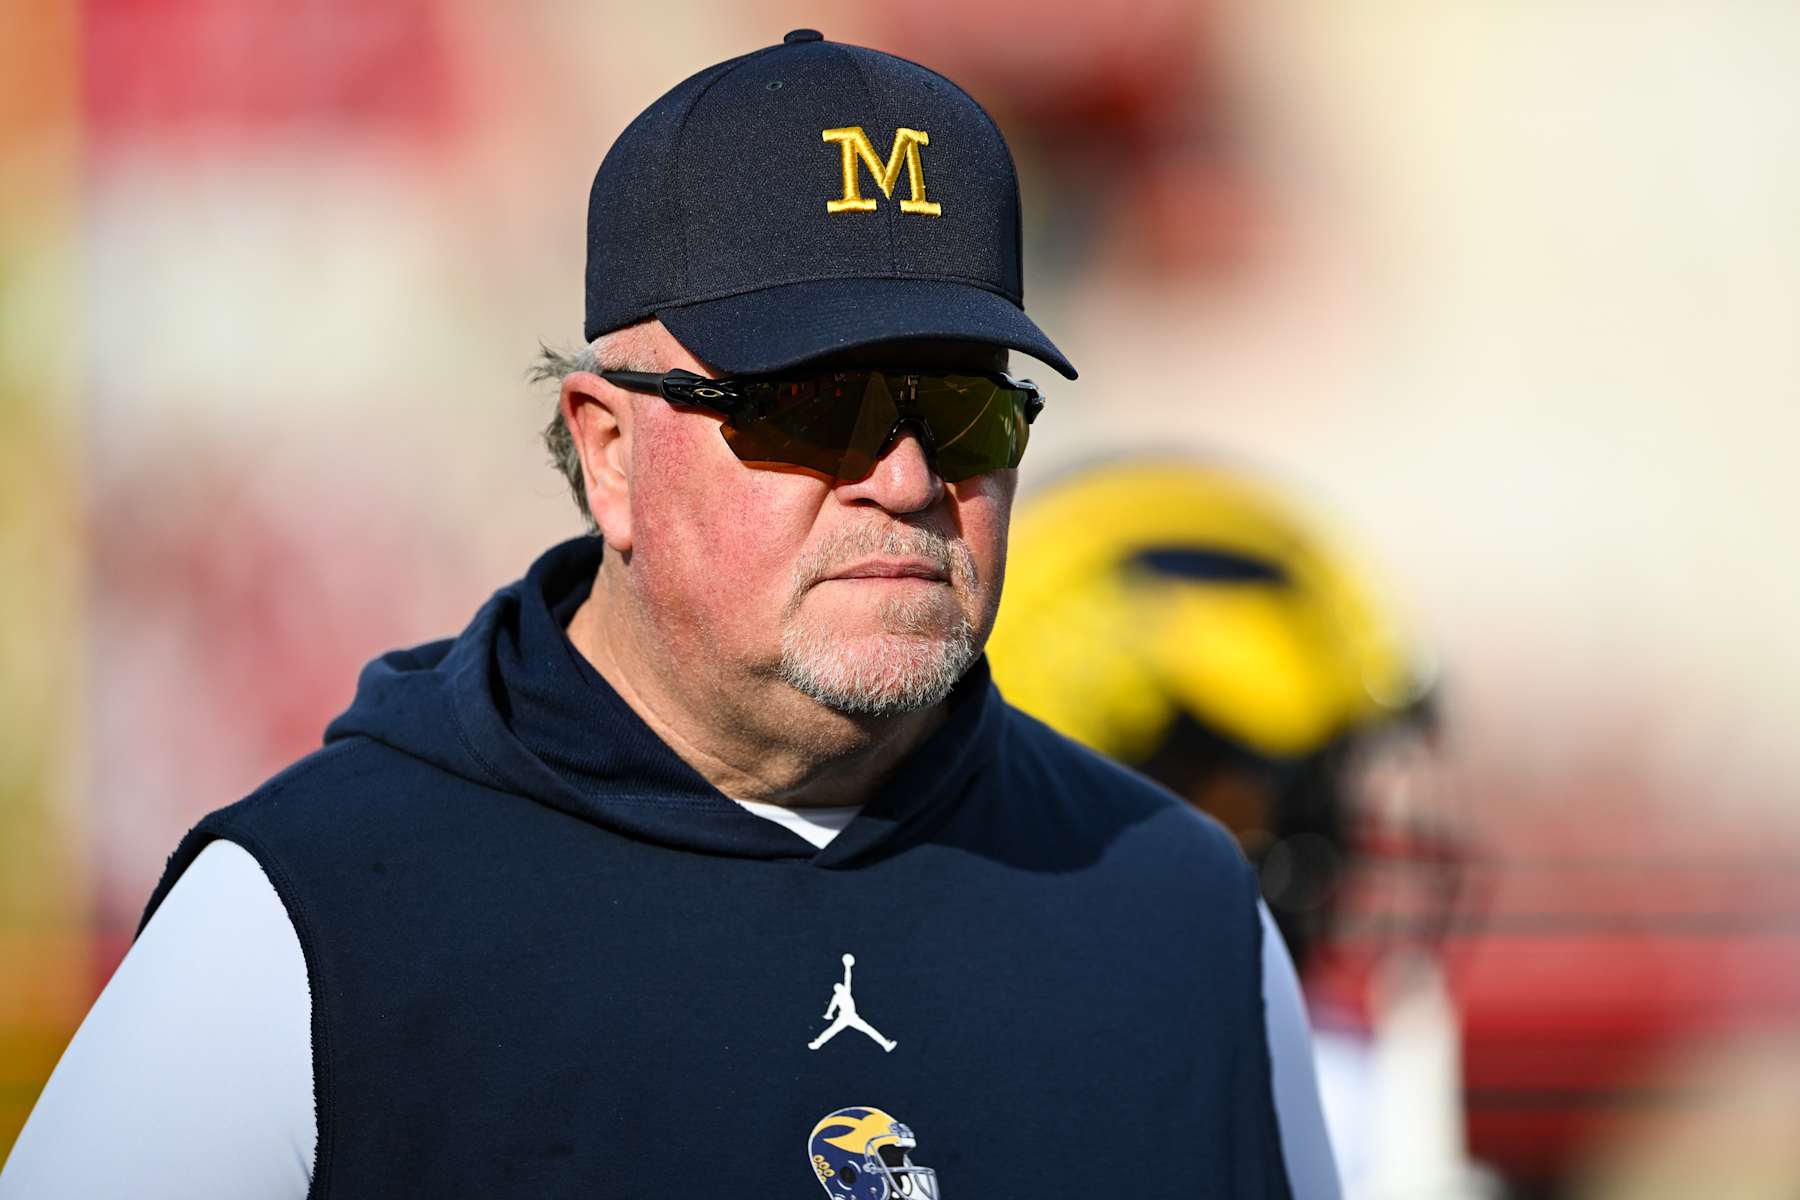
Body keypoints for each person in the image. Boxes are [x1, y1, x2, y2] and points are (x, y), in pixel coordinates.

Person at [1, 31, 1335, 1198]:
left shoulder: (1179, 918)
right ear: (608, 453)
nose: (911, 479)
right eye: (815, 407)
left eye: (970, 406)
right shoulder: (307, 927)